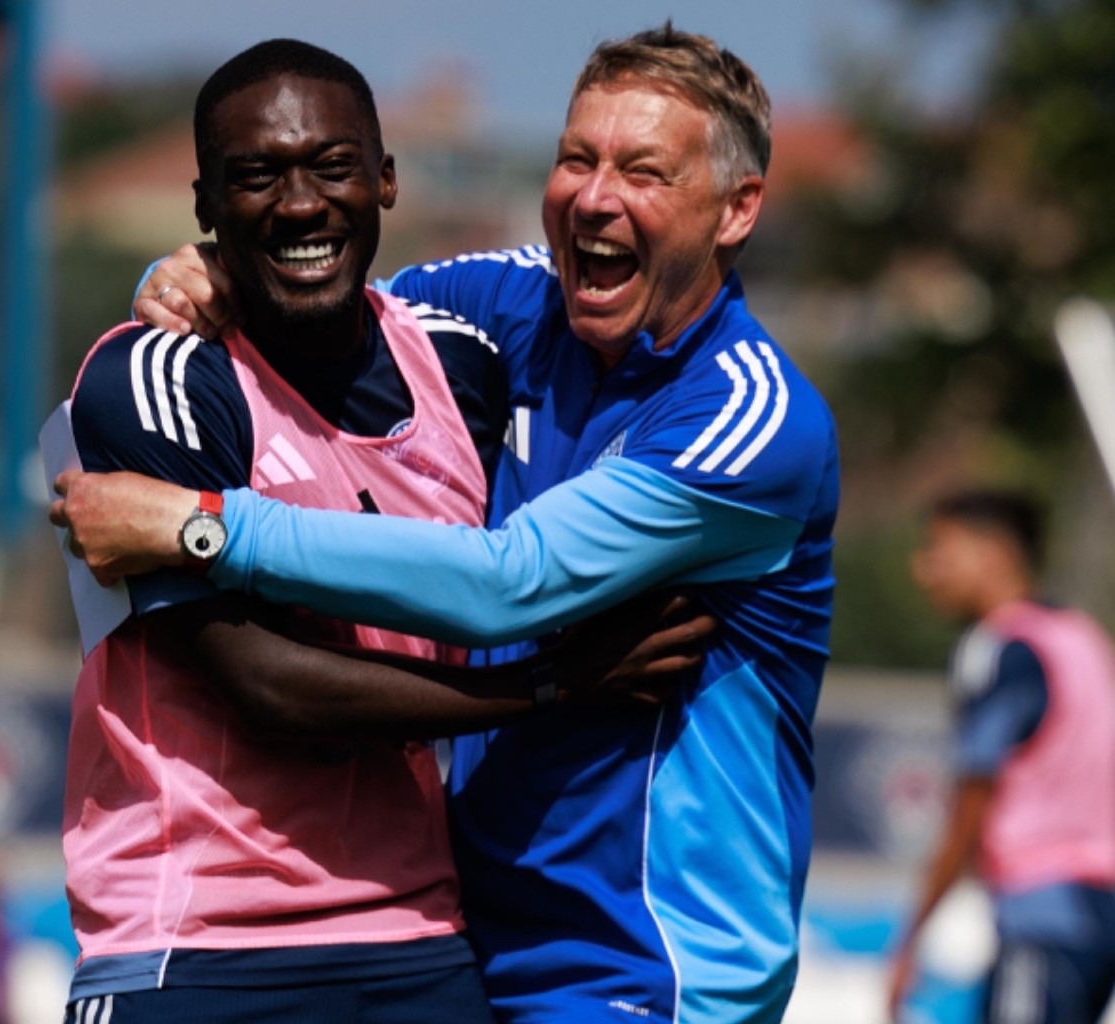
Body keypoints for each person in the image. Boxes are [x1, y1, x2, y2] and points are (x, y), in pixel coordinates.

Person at [54, 23, 839, 1023]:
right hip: (469, 948)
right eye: (575, 158)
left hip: (646, 971)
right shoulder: (514, 305)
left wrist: (202, 524)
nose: (595, 197)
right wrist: (188, 278)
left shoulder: (747, 420)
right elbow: (318, 287)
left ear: (737, 209)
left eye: (642, 171)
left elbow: (509, 580)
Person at [888, 490, 1115, 1024]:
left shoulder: (998, 647)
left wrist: (911, 938)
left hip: (1044, 912)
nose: (925, 570)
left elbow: (973, 796)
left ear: (993, 552)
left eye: (938, 550)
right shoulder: (1083, 637)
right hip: (1100, 908)